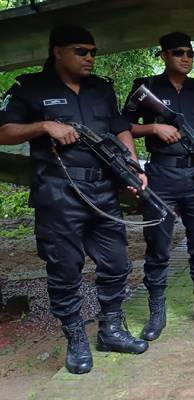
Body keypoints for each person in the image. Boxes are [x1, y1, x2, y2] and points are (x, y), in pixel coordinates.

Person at [0, 25, 148, 374]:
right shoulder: (29, 86)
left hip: (103, 192)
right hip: (58, 193)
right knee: (65, 270)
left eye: (93, 51)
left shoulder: (101, 88)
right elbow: (3, 131)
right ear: (58, 51)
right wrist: (44, 126)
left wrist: (134, 167)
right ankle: (76, 338)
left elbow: (120, 128)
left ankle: (111, 329)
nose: (90, 58)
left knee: (115, 264)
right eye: (82, 51)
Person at [123, 32, 194, 339]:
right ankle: (156, 313)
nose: (186, 58)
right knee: (157, 247)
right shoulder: (147, 88)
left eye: (190, 53)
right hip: (161, 176)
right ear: (163, 55)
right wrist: (153, 127)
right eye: (179, 52)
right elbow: (121, 126)